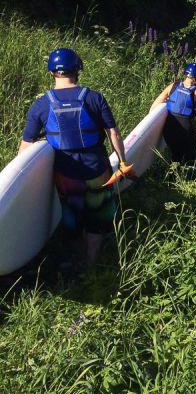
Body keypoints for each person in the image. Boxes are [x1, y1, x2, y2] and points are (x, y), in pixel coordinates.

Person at [19, 47, 132, 267]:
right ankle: (91, 261)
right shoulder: (94, 98)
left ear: (51, 72)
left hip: (65, 175)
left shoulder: (40, 105)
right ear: (78, 69)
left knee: (72, 217)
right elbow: (114, 134)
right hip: (98, 170)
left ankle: (78, 259)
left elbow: (25, 148)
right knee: (98, 216)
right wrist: (123, 160)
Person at [150, 62, 196, 167]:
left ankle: (172, 177)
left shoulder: (173, 86)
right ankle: (189, 177)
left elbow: (156, 104)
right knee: (190, 154)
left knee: (176, 154)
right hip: (186, 127)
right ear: (195, 78)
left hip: (169, 125)